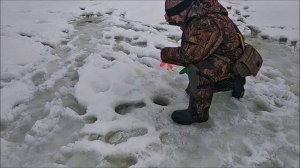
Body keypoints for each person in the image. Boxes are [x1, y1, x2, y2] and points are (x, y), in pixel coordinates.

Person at [161, 0, 246, 125]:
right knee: (196, 77)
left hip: (231, 62)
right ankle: (234, 81)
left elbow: (189, 56)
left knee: (196, 70)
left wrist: (164, 53)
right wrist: (174, 18)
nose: (171, 19)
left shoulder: (206, 23)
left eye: (174, 15)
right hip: (222, 55)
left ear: (183, 10)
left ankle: (197, 114)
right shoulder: (197, 12)